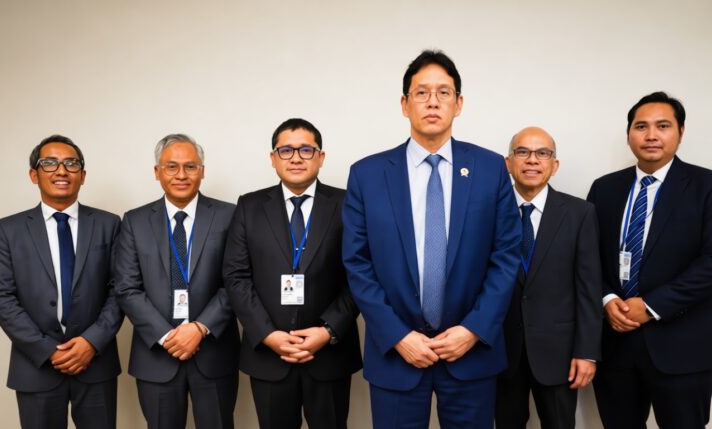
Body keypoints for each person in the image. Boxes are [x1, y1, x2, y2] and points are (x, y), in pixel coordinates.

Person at [342, 50, 521, 428]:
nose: (433, 102)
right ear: (404, 104)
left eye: (444, 92)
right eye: (421, 93)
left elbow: (506, 255)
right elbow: (357, 263)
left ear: (459, 103)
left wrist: (473, 330)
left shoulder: (490, 169)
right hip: (396, 354)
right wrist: (397, 335)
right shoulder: (367, 174)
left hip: (470, 353)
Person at [224, 118, 362, 429]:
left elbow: (360, 275)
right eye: (285, 150)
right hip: (268, 355)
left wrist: (327, 331)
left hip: (329, 354)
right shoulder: (249, 206)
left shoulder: (348, 205)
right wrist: (267, 334)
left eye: (305, 150)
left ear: (321, 157)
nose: (296, 158)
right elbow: (236, 276)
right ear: (273, 158)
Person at [587, 91, 712, 428]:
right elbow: (587, 257)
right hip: (615, 343)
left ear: (680, 132)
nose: (651, 135)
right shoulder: (604, 188)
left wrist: (652, 306)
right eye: (641, 126)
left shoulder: (706, 186)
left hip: (682, 347)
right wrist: (607, 298)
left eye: (663, 126)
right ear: (629, 134)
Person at [0, 135, 122, 429]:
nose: (61, 170)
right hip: (35, 366)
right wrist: (47, 350)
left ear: (82, 175)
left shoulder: (109, 224)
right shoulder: (8, 230)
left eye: (71, 163)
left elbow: (120, 290)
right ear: (33, 175)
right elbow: (1, 298)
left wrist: (91, 342)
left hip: (95, 363)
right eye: (49, 163)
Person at [114, 134, 239, 429]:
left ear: (202, 171)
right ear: (157, 172)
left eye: (190, 166)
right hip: (157, 356)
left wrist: (200, 327)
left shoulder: (230, 216)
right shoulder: (134, 221)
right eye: (171, 167)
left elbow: (236, 281)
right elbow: (127, 287)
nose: (181, 175)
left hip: (213, 353)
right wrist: (167, 336)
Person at [494, 127, 602, 429]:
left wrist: (587, 352)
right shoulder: (489, 211)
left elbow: (589, 288)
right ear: (508, 163)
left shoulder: (580, 213)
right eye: (522, 152)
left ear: (554, 165)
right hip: (501, 350)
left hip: (560, 353)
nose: (532, 160)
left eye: (543, 153)